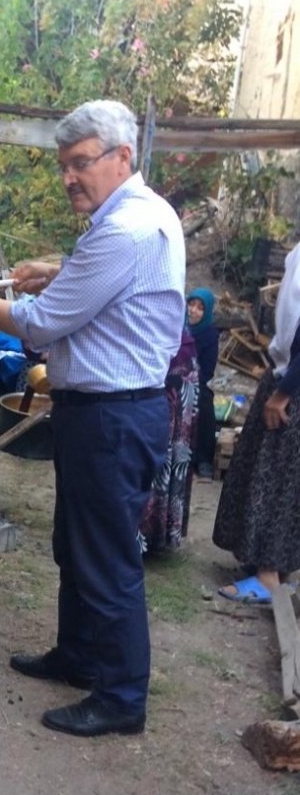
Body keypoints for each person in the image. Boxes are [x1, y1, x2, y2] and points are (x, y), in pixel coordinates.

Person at [0, 99, 186, 737]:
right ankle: (77, 656)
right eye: (65, 167)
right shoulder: (140, 213)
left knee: (105, 561)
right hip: (98, 415)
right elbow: (101, 287)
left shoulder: (124, 230)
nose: (71, 177)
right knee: (76, 548)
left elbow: (40, 325)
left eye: (82, 164)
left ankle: (122, 697)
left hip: (113, 419)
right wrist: (54, 269)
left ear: (121, 157)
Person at [213, 242, 300, 604]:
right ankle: (274, 569)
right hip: (284, 374)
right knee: (272, 477)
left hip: (291, 387)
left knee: (276, 481)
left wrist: (283, 392)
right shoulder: (296, 253)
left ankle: (268, 576)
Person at [138, 327, 199, 554]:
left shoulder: (181, 339)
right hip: (159, 391)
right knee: (151, 464)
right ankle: (144, 535)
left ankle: (153, 535)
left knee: (165, 464)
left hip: (172, 396)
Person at [186, 287, 219, 478]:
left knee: (204, 401)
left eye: (200, 308)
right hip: (171, 378)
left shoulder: (210, 335)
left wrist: (191, 379)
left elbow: (208, 369)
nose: (193, 310)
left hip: (195, 379)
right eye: (191, 304)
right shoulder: (176, 326)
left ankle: (203, 458)